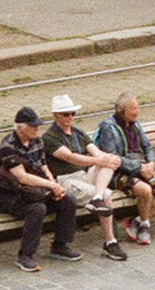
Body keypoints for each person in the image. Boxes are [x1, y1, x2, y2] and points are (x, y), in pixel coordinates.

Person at [0, 106, 86, 273]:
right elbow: (22, 178)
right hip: (10, 194)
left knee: (68, 199)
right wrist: (52, 186)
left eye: (38, 125)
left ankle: (60, 245)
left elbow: (44, 167)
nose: (37, 129)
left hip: (35, 190)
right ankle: (25, 255)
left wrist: (54, 187)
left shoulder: (37, 141)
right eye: (33, 126)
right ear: (20, 127)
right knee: (37, 209)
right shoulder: (8, 146)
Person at [42, 95, 128, 261]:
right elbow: (69, 157)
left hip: (83, 175)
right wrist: (98, 160)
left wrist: (110, 158)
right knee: (107, 195)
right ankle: (110, 242)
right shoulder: (50, 137)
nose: (71, 118)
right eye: (66, 114)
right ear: (55, 116)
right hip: (66, 179)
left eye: (72, 113)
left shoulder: (78, 133)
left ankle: (96, 197)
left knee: (108, 164)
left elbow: (95, 152)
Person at [97, 93, 155, 247]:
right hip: (120, 174)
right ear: (122, 111)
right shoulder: (108, 128)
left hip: (142, 168)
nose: (137, 111)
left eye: (137, 107)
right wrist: (139, 168)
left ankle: (137, 220)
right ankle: (144, 226)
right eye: (134, 109)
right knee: (145, 191)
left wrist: (151, 163)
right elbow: (115, 158)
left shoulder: (135, 124)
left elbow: (147, 146)